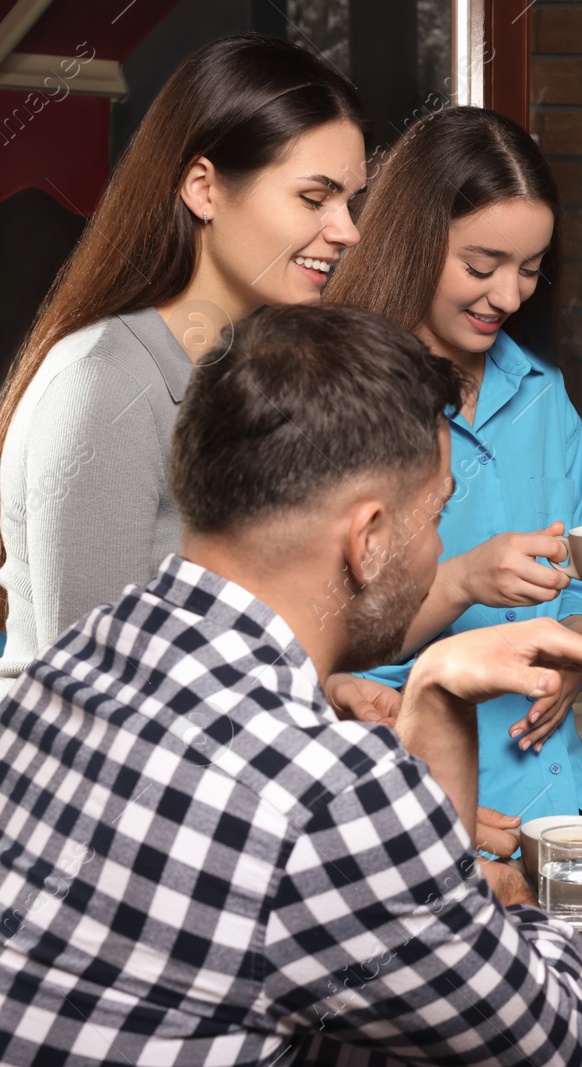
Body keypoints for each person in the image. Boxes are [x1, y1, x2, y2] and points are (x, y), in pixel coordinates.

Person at [0, 304, 582, 1064]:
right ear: (369, 538)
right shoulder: (329, 796)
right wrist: (503, 898)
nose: (443, 546)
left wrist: (435, 684)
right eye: (441, 511)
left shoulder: (73, 662)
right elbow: (546, 1039)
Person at [0, 35, 370, 706]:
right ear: (204, 188)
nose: (348, 231)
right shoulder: (102, 387)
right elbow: (92, 700)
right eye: (316, 199)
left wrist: (323, 700)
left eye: (351, 200)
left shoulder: (240, 365)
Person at [324, 105, 582, 846]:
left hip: (569, 789)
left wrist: (572, 643)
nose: (507, 296)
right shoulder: (334, 398)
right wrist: (464, 580)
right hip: (417, 798)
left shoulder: (542, 394)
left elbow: (579, 576)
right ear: (411, 239)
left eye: (530, 270)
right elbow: (316, 641)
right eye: (481, 267)